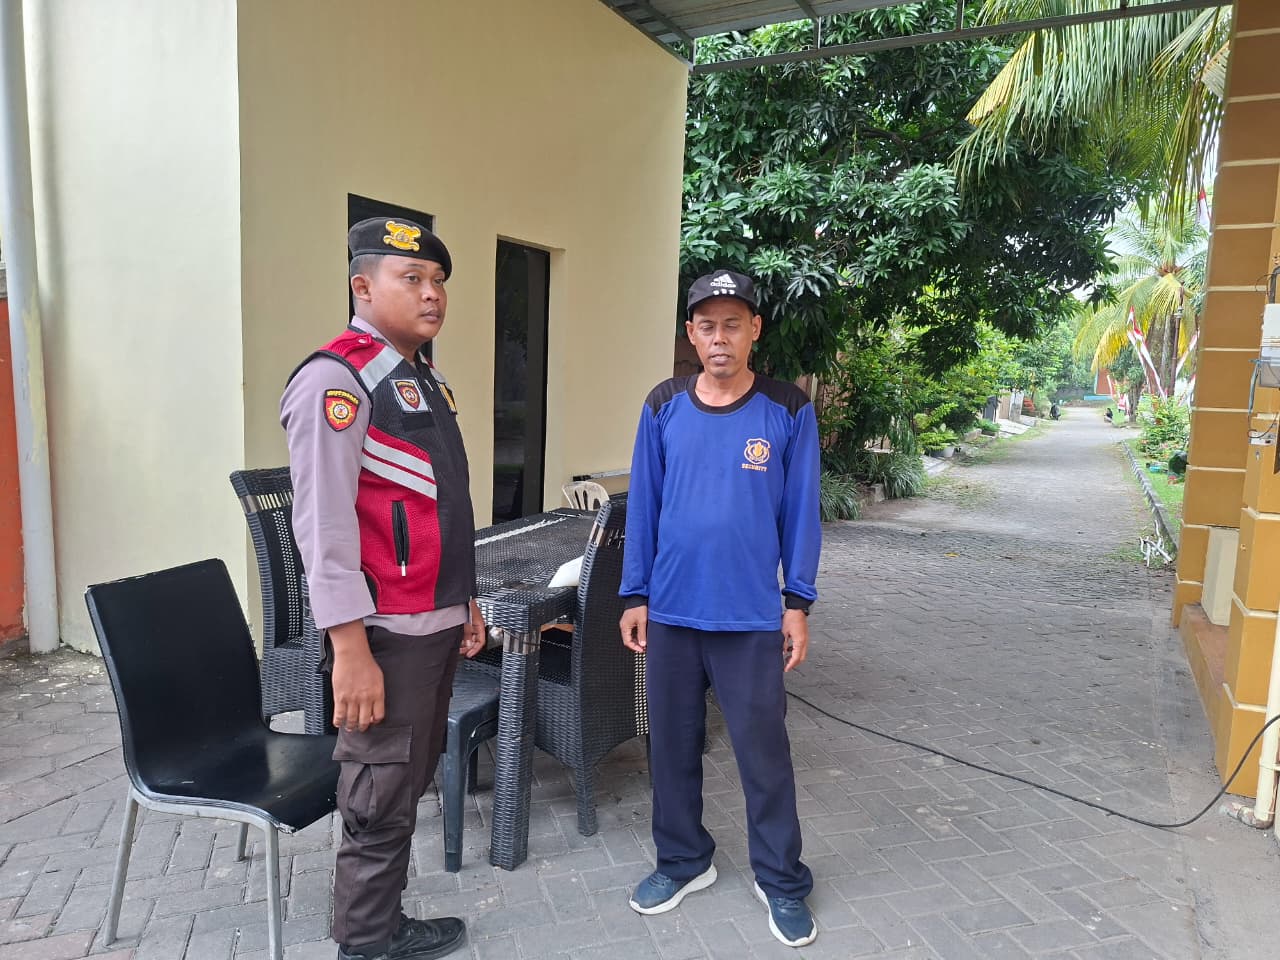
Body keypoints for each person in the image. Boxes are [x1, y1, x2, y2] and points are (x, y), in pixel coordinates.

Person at [281, 217, 486, 960]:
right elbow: (323, 525)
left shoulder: (418, 376)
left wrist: (463, 599)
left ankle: (383, 923)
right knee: (376, 793)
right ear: (362, 287)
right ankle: (365, 943)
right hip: (383, 635)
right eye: (413, 279)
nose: (432, 294)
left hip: (431, 621)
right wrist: (348, 648)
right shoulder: (337, 379)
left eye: (439, 281)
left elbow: (438, 505)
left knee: (404, 783)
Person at [619, 269, 821, 948]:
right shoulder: (663, 405)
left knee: (764, 754)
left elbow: (802, 515)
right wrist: (635, 594)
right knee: (671, 747)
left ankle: (782, 878)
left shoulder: (787, 409)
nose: (720, 338)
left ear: (754, 329)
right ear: (691, 333)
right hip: (673, 612)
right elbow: (644, 506)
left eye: (733, 324)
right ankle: (683, 860)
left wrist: (797, 602)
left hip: (750, 616)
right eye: (707, 326)